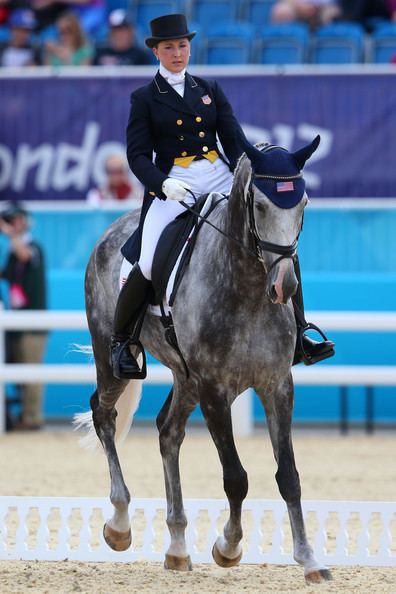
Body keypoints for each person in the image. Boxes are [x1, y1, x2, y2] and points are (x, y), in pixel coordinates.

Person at [110, 13, 334, 380]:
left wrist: (248, 171)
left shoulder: (209, 89)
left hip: (217, 175)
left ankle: (300, 332)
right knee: (148, 261)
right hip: (174, 181)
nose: (178, 53)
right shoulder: (145, 98)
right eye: (170, 47)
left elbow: (232, 140)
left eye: (183, 45)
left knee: (276, 240)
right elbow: (136, 155)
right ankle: (123, 341)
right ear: (156, 52)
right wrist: (161, 184)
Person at [0, 203, 47, 431]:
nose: (12, 224)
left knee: (32, 370)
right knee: (19, 373)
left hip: (33, 323)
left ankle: (33, 418)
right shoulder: (10, 252)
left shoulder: (34, 246)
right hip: (16, 321)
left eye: (15, 219)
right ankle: (24, 417)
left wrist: (10, 233)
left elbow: (25, 255)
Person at [271, 0, 341, 29]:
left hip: (322, 8)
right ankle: (283, 46)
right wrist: (299, 5)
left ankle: (328, 48)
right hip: (297, 6)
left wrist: (316, 6)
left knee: (332, 13)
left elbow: (331, 2)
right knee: (281, 10)